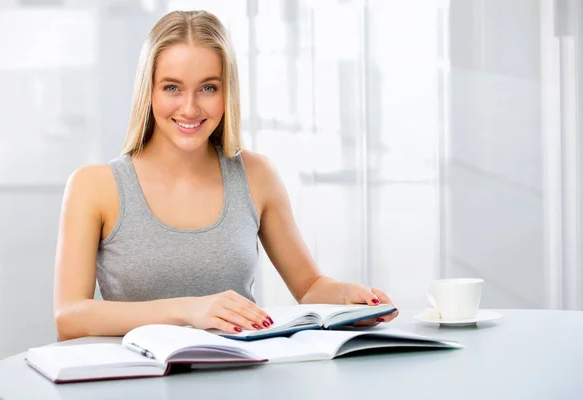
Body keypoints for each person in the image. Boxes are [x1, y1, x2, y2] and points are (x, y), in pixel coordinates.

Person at [53, 10, 398, 341]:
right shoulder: (94, 186)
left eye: (208, 88)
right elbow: (69, 317)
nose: (190, 108)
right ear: (148, 92)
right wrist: (189, 310)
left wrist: (350, 300)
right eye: (172, 87)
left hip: (239, 376)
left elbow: (309, 288)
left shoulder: (256, 175)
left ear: (226, 92)